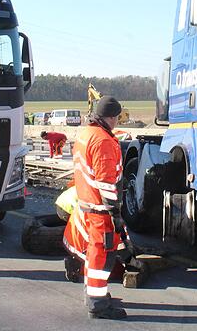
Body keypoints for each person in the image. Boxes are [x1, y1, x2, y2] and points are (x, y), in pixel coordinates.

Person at [63, 96, 130, 319]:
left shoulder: (86, 135)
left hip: (87, 206)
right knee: (102, 258)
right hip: (100, 211)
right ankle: (98, 305)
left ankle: (94, 297)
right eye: (117, 118)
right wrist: (116, 213)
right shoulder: (104, 141)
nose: (117, 123)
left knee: (93, 255)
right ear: (111, 117)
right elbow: (107, 183)